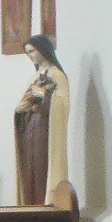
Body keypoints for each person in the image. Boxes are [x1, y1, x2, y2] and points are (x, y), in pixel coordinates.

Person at [13, 34, 70, 207]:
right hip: (31, 127)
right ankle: (31, 206)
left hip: (45, 130)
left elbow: (61, 103)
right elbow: (26, 101)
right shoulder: (37, 75)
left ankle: (43, 207)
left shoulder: (56, 74)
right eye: (27, 53)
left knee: (41, 170)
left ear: (43, 50)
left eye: (32, 52)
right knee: (30, 170)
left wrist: (39, 95)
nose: (30, 56)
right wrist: (21, 111)